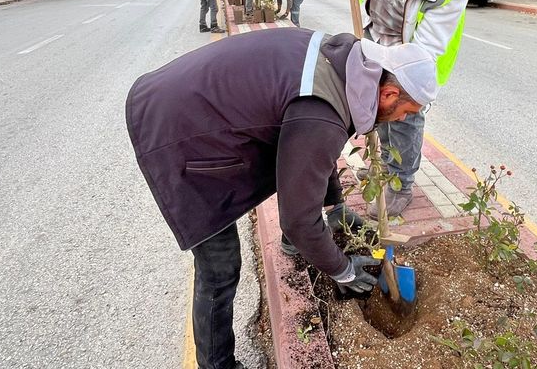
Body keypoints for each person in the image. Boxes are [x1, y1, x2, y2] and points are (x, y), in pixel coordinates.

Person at [126, 27, 437, 369]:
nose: (404, 119)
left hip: (192, 102)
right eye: (407, 112)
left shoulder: (344, 66)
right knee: (220, 266)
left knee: (295, 174)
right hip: (176, 128)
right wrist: (343, 270)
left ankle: (294, 245)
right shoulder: (321, 110)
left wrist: (334, 205)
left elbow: (312, 152)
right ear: (390, 93)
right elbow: (299, 217)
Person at [326, 0, 484, 219]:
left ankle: (401, 183)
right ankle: (383, 166)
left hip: (416, 50)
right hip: (376, 27)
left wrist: (389, 81)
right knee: (374, 103)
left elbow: (423, 50)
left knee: (403, 113)